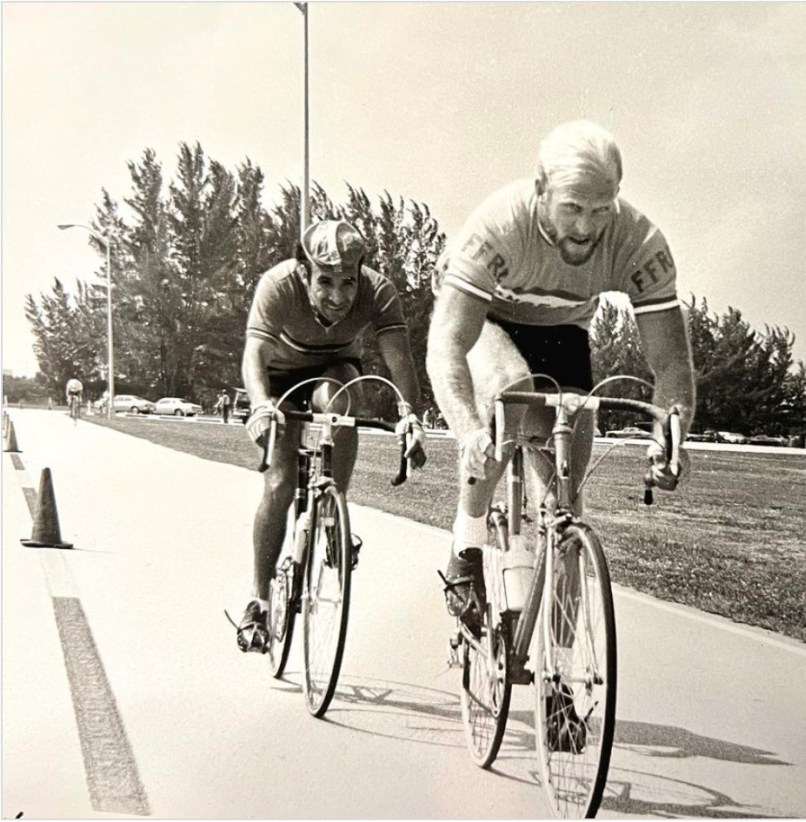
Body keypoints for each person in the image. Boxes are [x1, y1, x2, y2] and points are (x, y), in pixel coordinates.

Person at [426, 121, 696, 717]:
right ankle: (467, 544)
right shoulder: (499, 225)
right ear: (541, 188)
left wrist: (669, 438)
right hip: (491, 326)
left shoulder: (639, 240)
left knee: (568, 507)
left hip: (566, 334)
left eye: (601, 209)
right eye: (572, 207)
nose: (585, 227)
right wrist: (468, 429)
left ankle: (561, 680)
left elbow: (672, 364)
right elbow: (446, 343)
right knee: (512, 395)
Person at [235, 219, 428, 653]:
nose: (338, 297)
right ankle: (258, 600)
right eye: (325, 282)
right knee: (280, 483)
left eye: (348, 282)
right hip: (279, 377)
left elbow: (400, 359)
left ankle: (332, 507)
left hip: (334, 369)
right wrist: (262, 405)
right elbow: (255, 355)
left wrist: (410, 416)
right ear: (304, 273)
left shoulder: (379, 292)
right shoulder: (277, 285)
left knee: (342, 402)